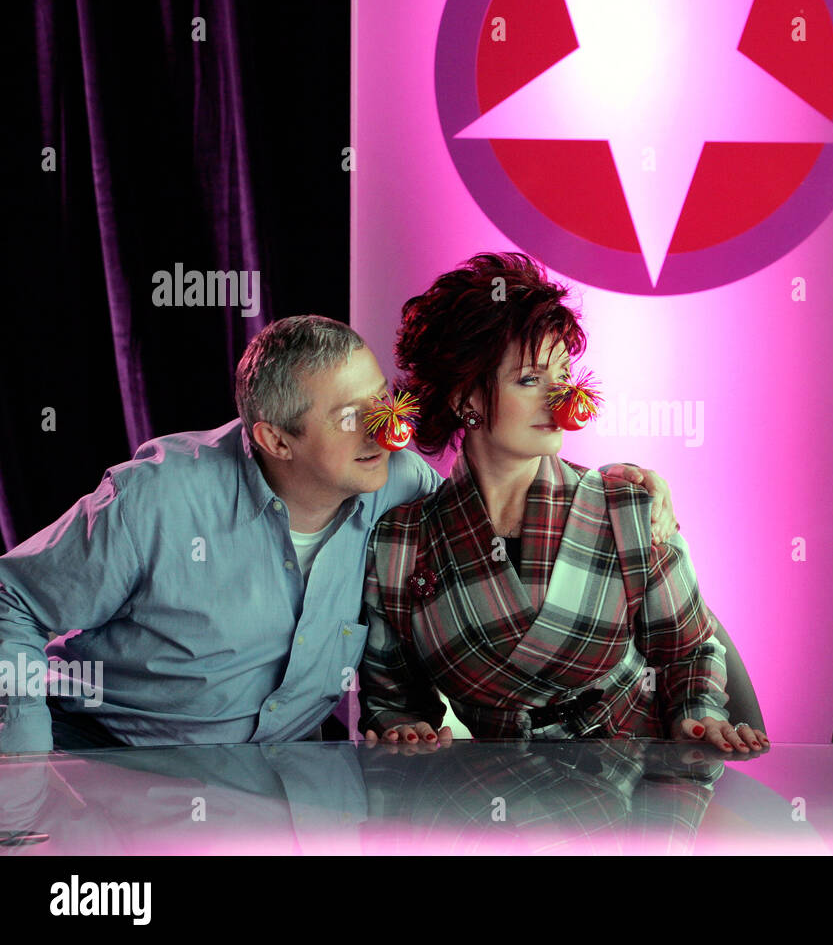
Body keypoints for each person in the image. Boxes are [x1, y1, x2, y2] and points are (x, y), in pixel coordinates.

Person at [0, 316, 675, 753]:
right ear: (273, 438)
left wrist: (624, 487)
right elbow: (13, 603)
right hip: (103, 753)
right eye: (352, 415)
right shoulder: (159, 498)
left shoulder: (404, 488)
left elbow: (503, 513)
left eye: (382, 400)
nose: (386, 428)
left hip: (273, 779)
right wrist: (29, 770)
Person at [359, 253, 768, 754]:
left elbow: (689, 652)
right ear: (466, 397)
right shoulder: (401, 541)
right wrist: (405, 727)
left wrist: (696, 718)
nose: (561, 398)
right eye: (530, 379)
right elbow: (393, 695)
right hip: (493, 803)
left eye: (564, 373)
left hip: (638, 787)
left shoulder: (624, 507)